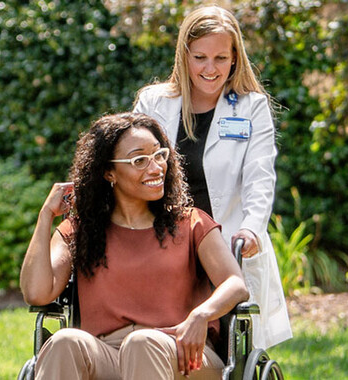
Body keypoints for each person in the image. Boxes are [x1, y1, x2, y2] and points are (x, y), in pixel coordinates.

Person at [20, 112, 250, 379]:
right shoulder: (81, 230)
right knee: (65, 342)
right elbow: (37, 293)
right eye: (139, 160)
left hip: (182, 354)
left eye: (159, 155)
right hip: (107, 354)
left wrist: (201, 315)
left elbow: (235, 283)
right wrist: (46, 214)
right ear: (109, 172)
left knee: (142, 343)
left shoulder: (191, 222)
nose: (155, 168)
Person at [132, 5, 291, 349]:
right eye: (200, 57)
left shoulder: (251, 107)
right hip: (162, 244)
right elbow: (132, 167)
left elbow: (259, 177)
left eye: (221, 58)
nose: (210, 69)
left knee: (221, 346)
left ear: (235, 57)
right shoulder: (153, 102)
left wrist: (252, 227)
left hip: (223, 245)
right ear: (184, 56)